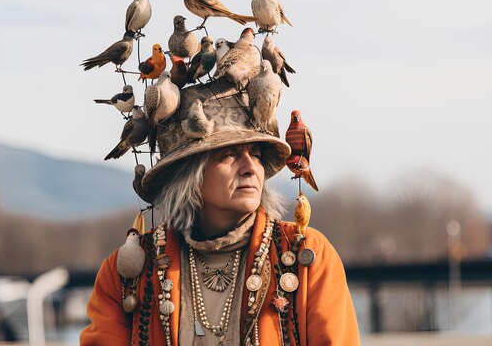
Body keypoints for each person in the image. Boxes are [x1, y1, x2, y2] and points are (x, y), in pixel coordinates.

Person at [80, 78, 360, 345]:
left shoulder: (306, 257)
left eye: (257, 155)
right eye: (229, 155)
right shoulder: (127, 274)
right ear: (189, 174)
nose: (251, 168)